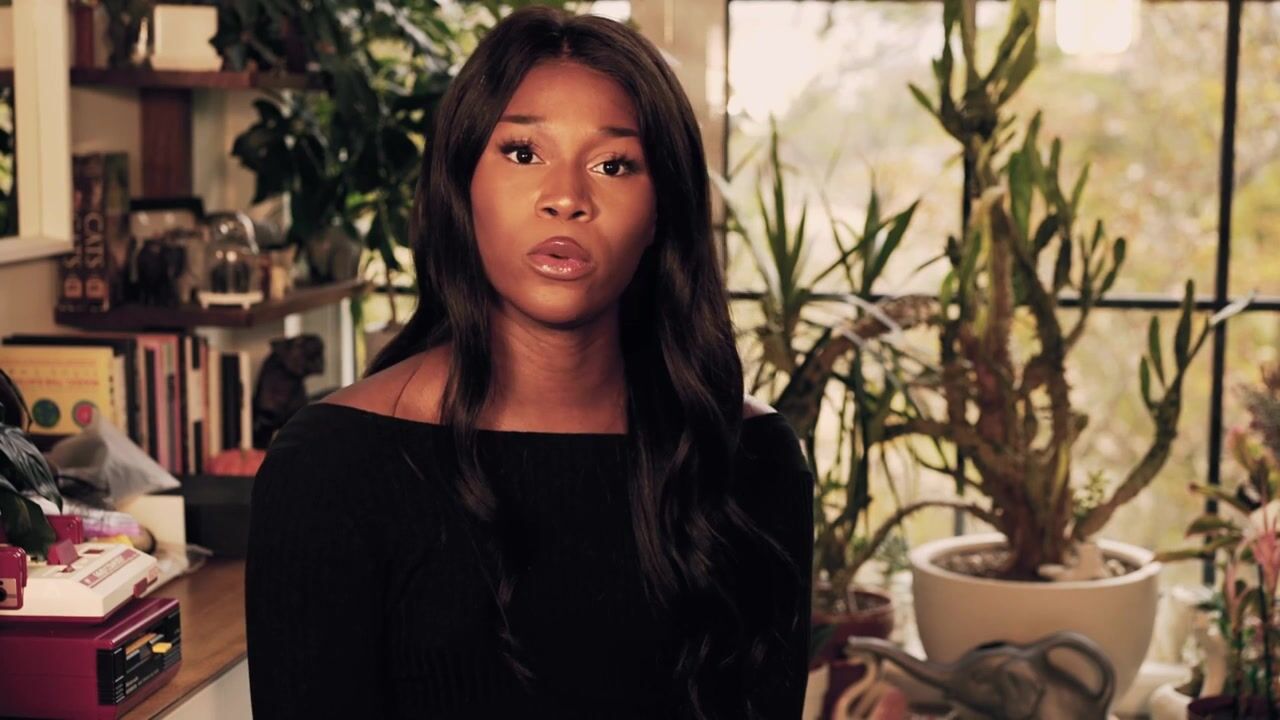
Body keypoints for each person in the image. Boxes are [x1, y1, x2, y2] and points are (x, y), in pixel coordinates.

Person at [245, 6, 813, 719]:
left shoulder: (754, 461)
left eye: (613, 165)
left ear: (660, 212)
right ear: (461, 185)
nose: (566, 198)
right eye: (522, 153)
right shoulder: (331, 466)